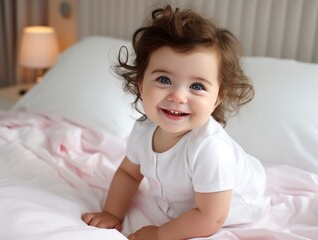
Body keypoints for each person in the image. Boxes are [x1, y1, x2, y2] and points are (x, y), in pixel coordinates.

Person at [82, 4, 267, 240]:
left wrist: (161, 234)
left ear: (217, 99)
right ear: (141, 84)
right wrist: (111, 213)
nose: (178, 96)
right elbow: (129, 174)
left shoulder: (209, 149)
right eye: (164, 79)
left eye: (197, 86)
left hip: (237, 205)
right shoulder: (143, 129)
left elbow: (211, 217)